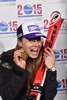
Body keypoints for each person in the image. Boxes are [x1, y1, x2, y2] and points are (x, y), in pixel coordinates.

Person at [0, 21, 57, 100]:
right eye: (31, 40)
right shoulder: (8, 59)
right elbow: (7, 97)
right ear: (20, 42)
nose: (37, 44)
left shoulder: (45, 57)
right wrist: (19, 70)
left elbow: (49, 97)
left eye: (38, 39)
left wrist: (51, 69)